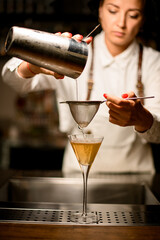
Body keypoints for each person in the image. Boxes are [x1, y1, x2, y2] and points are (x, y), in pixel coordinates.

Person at [2, 0, 160, 174]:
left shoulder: (154, 62)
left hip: (136, 177)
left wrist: (141, 118)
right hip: (77, 175)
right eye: (113, 10)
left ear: (143, 19)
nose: (121, 23)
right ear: (100, 11)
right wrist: (35, 64)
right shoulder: (71, 54)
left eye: (133, 15)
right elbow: (11, 79)